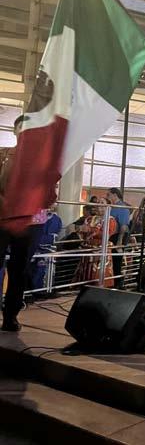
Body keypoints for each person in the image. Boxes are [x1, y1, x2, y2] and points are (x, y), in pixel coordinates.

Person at [0, 116, 46, 331]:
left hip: (31, 222)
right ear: (15, 131)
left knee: (20, 269)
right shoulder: (3, 155)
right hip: (4, 217)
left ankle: (11, 316)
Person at [74, 197, 116, 288]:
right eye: (97, 203)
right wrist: (81, 230)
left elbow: (106, 234)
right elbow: (83, 232)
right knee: (86, 273)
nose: (98, 205)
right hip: (88, 250)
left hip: (100, 251)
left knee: (98, 275)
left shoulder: (110, 220)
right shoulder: (90, 219)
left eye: (102, 203)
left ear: (108, 207)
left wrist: (89, 230)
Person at [105, 188, 130, 289]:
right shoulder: (112, 207)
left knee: (117, 260)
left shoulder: (122, 207)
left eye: (108, 195)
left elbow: (123, 226)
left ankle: (118, 283)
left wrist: (119, 242)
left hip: (119, 236)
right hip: (112, 235)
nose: (107, 197)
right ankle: (112, 281)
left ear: (115, 195)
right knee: (112, 259)